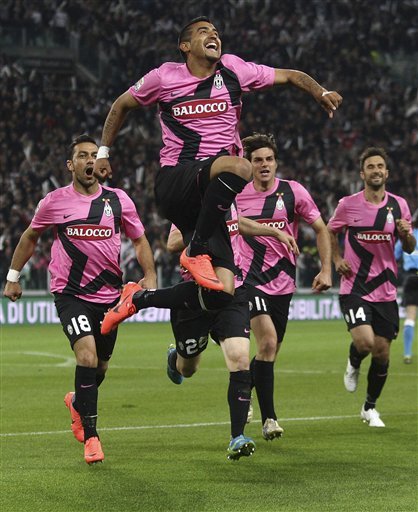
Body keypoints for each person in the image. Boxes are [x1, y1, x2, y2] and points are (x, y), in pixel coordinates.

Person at [94, 16, 342, 336]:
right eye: (203, 32)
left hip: (208, 198)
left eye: (215, 32)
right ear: (185, 46)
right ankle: (195, 250)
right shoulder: (164, 77)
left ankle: (137, 299)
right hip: (177, 179)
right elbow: (121, 105)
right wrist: (103, 152)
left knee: (223, 290)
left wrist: (319, 91)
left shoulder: (234, 70)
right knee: (241, 166)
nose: (213, 35)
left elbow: (291, 75)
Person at [3, 135, 157, 464]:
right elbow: (31, 236)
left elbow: (140, 240)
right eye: (82, 156)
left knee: (100, 367)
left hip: (109, 297)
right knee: (86, 356)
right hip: (70, 294)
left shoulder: (118, 201)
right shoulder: (54, 202)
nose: (89, 161)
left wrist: (151, 277)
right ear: (71, 165)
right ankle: (92, 437)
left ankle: (76, 402)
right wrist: (13, 277)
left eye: (93, 155)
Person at [165, 204, 298, 459]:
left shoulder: (229, 201)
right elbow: (172, 242)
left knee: (239, 358)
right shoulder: (191, 204)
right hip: (196, 295)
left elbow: (239, 223)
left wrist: (273, 232)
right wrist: (207, 229)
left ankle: (237, 436)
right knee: (187, 368)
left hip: (232, 293)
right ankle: (175, 359)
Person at [236, 133, 332, 440]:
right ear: (248, 165)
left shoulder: (293, 192)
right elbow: (230, 224)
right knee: (266, 343)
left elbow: (321, 228)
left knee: (271, 350)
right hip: (248, 280)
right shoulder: (237, 194)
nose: (264, 165)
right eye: (257, 160)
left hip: (283, 283)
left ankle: (243, 387)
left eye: (269, 159)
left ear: (276, 163)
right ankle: (270, 420)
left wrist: (326, 268)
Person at [327, 147, 415, 427]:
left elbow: (410, 247)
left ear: (387, 173)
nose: (376, 171)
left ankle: (369, 407)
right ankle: (353, 362)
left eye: (380, 166)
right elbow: (330, 231)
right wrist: (337, 259)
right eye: (371, 167)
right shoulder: (348, 205)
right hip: (354, 286)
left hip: (386, 289)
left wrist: (406, 235)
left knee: (382, 352)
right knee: (364, 342)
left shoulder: (399, 205)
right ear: (362, 173)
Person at [394, 210, 418, 363]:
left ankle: (407, 353)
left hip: (411, 278)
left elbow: (394, 256)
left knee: (410, 317)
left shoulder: (406, 237)